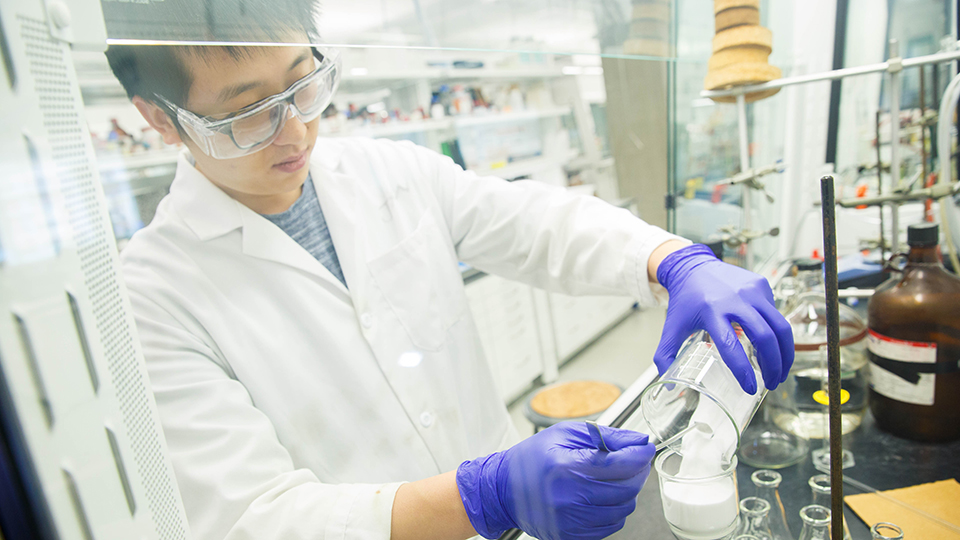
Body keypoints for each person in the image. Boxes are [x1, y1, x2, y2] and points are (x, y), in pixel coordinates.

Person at [105, 3, 794, 540]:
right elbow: (257, 519)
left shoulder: (386, 171)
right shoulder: (151, 296)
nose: (294, 131)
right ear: (160, 122)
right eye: (245, 114)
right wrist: (480, 495)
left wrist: (674, 260)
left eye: (302, 83)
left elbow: (533, 224)